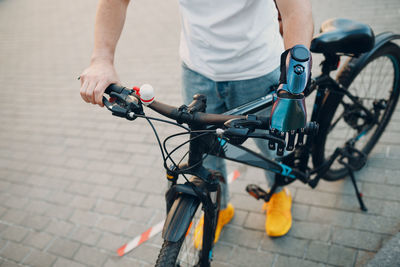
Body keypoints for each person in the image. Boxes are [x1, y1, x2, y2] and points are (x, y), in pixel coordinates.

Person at [79, 0, 313, 240]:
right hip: (198, 70)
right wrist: (102, 60)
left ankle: (278, 193)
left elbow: (296, 8)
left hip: (259, 69)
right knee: (205, 149)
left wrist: (294, 88)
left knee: (271, 143)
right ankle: (218, 209)